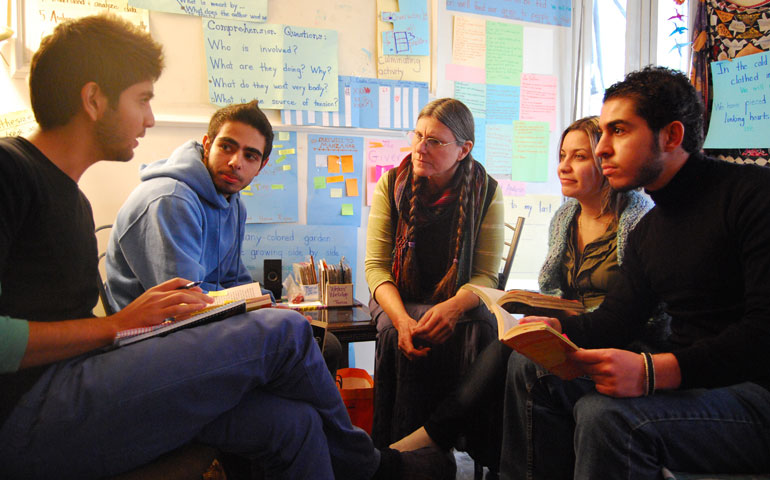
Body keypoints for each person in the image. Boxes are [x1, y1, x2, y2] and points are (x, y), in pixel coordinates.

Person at [0, 15, 379, 479]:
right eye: (142, 99)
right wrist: (113, 327)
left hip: (82, 375)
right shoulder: (9, 171)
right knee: (286, 334)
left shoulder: (72, 198)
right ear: (94, 99)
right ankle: (370, 467)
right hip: (27, 411)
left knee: (294, 425)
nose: (151, 118)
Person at [501, 66, 770, 479]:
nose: (601, 149)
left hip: (754, 394)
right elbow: (615, 319)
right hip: (691, 380)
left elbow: (762, 333)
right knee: (532, 370)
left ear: (672, 136)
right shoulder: (651, 229)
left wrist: (654, 371)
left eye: (619, 131)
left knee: (607, 416)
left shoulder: (751, 196)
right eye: (603, 132)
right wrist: (558, 329)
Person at [390, 116, 657, 469]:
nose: (563, 166)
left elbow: (641, 311)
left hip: (620, 338)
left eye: (578, 157)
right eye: (562, 155)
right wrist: (532, 305)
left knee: (513, 353)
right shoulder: (566, 216)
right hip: (576, 329)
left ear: (605, 161)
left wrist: (566, 318)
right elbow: (556, 290)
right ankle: (459, 444)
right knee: (513, 341)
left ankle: (437, 435)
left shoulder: (637, 219)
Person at [104, 100, 342, 373]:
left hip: (202, 325)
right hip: (154, 340)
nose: (235, 163)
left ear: (261, 166)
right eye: (226, 147)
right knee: (307, 343)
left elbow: (233, 280)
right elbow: (184, 306)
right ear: (207, 145)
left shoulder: (233, 204)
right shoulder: (171, 199)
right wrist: (266, 316)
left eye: (250, 156)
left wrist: (274, 307)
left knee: (317, 338)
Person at [365, 97, 505, 446]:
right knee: (402, 333)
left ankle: (470, 443)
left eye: (435, 141)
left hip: (457, 300)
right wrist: (401, 321)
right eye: (417, 136)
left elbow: (487, 276)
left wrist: (454, 307)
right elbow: (376, 267)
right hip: (398, 298)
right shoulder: (392, 184)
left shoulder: (486, 191)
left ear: (463, 149)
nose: (420, 148)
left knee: (481, 328)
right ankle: (403, 450)